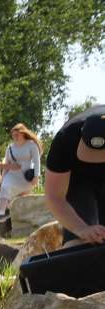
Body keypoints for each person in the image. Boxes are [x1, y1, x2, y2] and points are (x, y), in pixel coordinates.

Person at [43, 103, 105, 247]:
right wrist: (82, 229)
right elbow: (54, 196)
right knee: (79, 244)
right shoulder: (65, 140)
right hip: (77, 181)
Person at [1, 123, 43, 212]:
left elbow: (37, 161)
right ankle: (2, 211)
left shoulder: (31, 145)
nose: (15, 137)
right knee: (5, 188)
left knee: (23, 197)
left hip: (26, 177)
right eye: (13, 135)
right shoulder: (10, 148)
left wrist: (36, 176)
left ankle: (18, 215)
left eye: (17, 135)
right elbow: (7, 164)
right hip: (12, 175)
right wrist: (3, 178)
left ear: (23, 134)